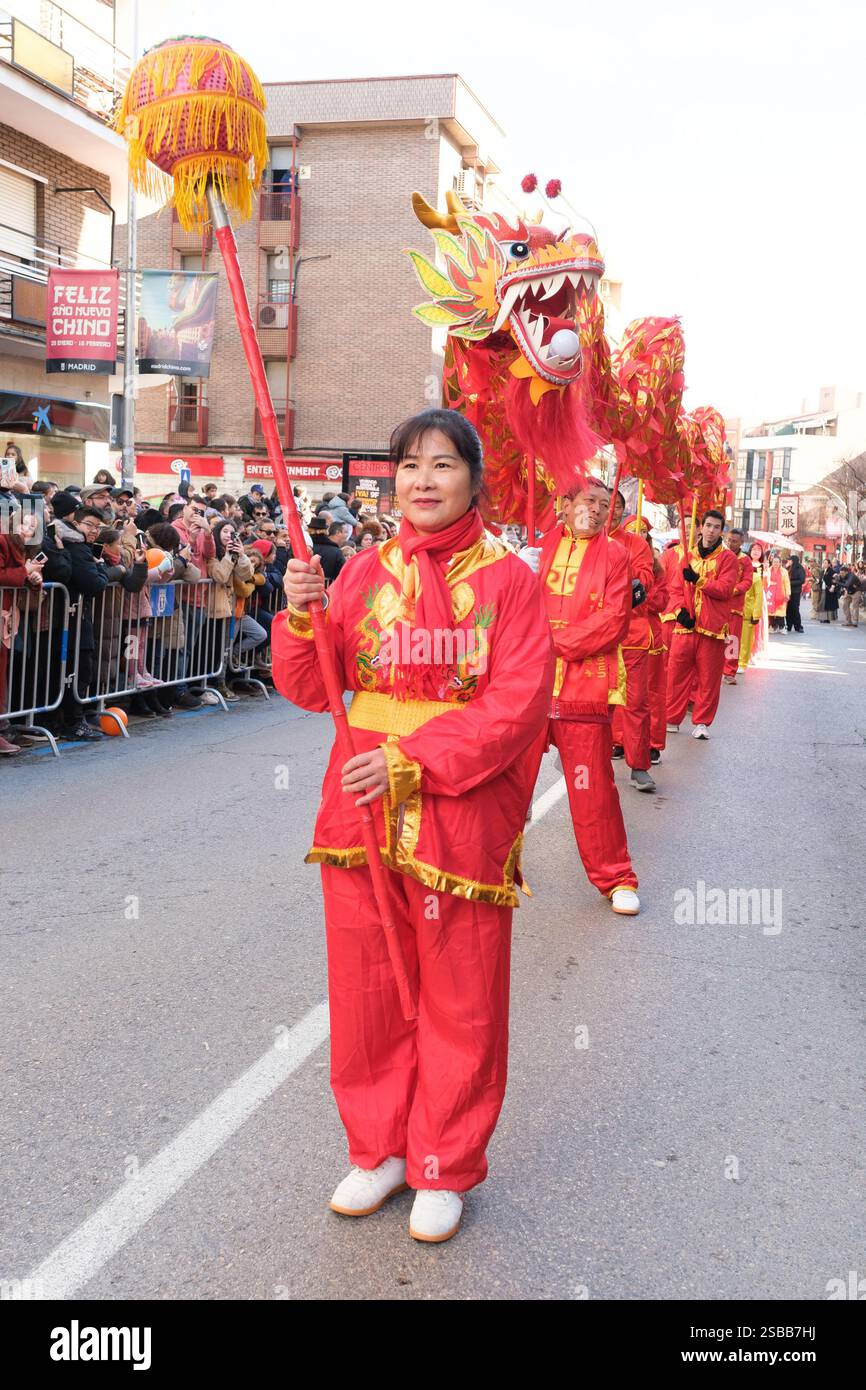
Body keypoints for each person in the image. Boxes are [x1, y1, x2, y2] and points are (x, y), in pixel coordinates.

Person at [272, 407, 553, 1244]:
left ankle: (443, 1161)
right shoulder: (359, 572)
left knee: (459, 993)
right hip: (358, 803)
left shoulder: (510, 580)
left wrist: (414, 761)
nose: (422, 482)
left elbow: (515, 705)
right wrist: (299, 614)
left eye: (441, 465)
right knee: (367, 988)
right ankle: (380, 1149)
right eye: (407, 467)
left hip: (459, 806)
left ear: (473, 478)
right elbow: (312, 685)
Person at [522, 475, 640, 914]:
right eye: (588, 500)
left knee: (592, 787)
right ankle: (489, 862)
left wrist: (550, 643)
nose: (595, 509)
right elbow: (499, 606)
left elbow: (614, 619)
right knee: (507, 781)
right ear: (565, 503)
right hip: (528, 686)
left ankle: (615, 876)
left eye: (604, 503)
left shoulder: (615, 554)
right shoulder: (537, 548)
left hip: (583, 684)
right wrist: (514, 571)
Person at [665, 508, 737, 739]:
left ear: (721, 531)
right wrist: (679, 612)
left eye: (716, 527)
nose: (711, 531)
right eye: (708, 526)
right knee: (676, 675)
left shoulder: (728, 559)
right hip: (685, 627)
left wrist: (698, 580)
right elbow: (675, 590)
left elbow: (725, 590)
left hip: (712, 629)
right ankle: (671, 718)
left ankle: (702, 722)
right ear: (701, 527)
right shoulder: (687, 556)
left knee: (708, 678)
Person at [608, 503, 656, 792]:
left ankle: (639, 766)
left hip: (633, 635)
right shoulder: (578, 540)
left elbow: (645, 580)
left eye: (610, 506)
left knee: (636, 702)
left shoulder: (635, 544)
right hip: (595, 638)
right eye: (597, 504)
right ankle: (592, 763)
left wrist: (613, 573)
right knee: (597, 706)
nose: (605, 511)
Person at [722, 527, 754, 685]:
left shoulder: (745, 560)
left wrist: (733, 590)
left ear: (741, 543)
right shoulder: (720, 555)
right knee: (715, 639)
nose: (730, 543)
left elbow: (747, 581)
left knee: (732, 640)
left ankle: (729, 671)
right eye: (728, 540)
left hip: (735, 606)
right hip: (718, 605)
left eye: (734, 541)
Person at [308, 515, 345, 583]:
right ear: (325, 531)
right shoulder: (336, 551)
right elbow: (342, 575)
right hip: (328, 590)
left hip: (304, 589)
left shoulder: (303, 548)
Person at [766, 554, 790, 631]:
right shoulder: (768, 570)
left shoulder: (784, 572)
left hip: (781, 594)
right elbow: (765, 581)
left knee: (781, 612)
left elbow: (787, 583)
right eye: (774, 562)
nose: (775, 564)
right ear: (771, 562)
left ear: (780, 563)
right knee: (770, 611)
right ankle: (772, 626)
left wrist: (787, 594)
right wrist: (769, 582)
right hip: (771, 594)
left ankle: (782, 627)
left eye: (777, 562)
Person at [785, 553, 806, 632]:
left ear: (793, 561)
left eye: (790, 560)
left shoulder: (799, 568)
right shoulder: (788, 568)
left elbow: (802, 580)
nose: (789, 561)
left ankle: (798, 626)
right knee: (788, 609)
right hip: (788, 591)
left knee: (795, 608)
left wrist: (790, 582)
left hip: (796, 592)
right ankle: (789, 625)